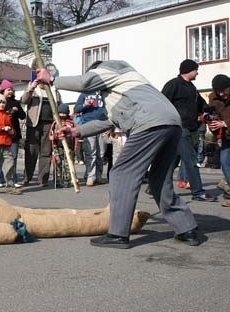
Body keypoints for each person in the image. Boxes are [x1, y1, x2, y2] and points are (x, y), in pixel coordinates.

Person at [37, 60, 201, 248]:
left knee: (122, 174)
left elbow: (84, 83)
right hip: (171, 123)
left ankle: (118, 234)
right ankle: (186, 228)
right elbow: (107, 121)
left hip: (148, 121)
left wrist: (52, 79)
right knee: (159, 179)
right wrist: (76, 131)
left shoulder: (111, 68)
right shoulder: (124, 88)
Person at [161, 59, 216, 202]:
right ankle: (198, 192)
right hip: (178, 128)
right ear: (189, 70)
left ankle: (157, 185)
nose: (197, 72)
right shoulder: (173, 84)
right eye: (196, 70)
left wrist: (209, 110)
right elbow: (162, 103)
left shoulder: (191, 88)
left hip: (189, 128)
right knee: (191, 160)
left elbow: (201, 105)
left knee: (172, 160)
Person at [21, 67, 61, 187]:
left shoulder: (53, 91)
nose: (43, 83)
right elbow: (23, 100)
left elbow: (59, 104)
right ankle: (27, 177)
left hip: (48, 124)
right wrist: (31, 88)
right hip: (34, 124)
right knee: (31, 152)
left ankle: (43, 179)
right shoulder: (34, 89)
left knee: (46, 152)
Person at [0, 79, 26, 187]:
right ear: (3, 90)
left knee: (13, 157)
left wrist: (17, 110)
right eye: (8, 89)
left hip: (14, 134)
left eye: (12, 90)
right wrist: (10, 111)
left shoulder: (16, 102)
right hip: (2, 133)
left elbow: (23, 116)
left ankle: (13, 179)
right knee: (0, 157)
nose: (10, 92)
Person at [74, 91, 108, 186]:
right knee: (90, 153)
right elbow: (76, 109)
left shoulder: (104, 94)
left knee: (101, 153)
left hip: (102, 125)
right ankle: (90, 176)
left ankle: (98, 176)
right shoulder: (84, 94)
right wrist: (85, 104)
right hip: (88, 125)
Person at [207, 74, 230, 207]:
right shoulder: (213, 97)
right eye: (219, 91)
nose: (222, 94)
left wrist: (225, 123)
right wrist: (211, 121)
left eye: (225, 90)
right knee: (225, 161)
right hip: (227, 137)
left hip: (227, 128)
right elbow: (213, 114)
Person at [49, 104, 75, 188]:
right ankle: (57, 180)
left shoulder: (71, 123)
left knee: (68, 164)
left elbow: (74, 133)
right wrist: (55, 136)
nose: (63, 115)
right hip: (58, 146)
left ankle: (68, 180)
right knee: (58, 163)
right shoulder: (55, 122)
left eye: (64, 113)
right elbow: (51, 134)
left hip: (68, 145)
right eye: (61, 113)